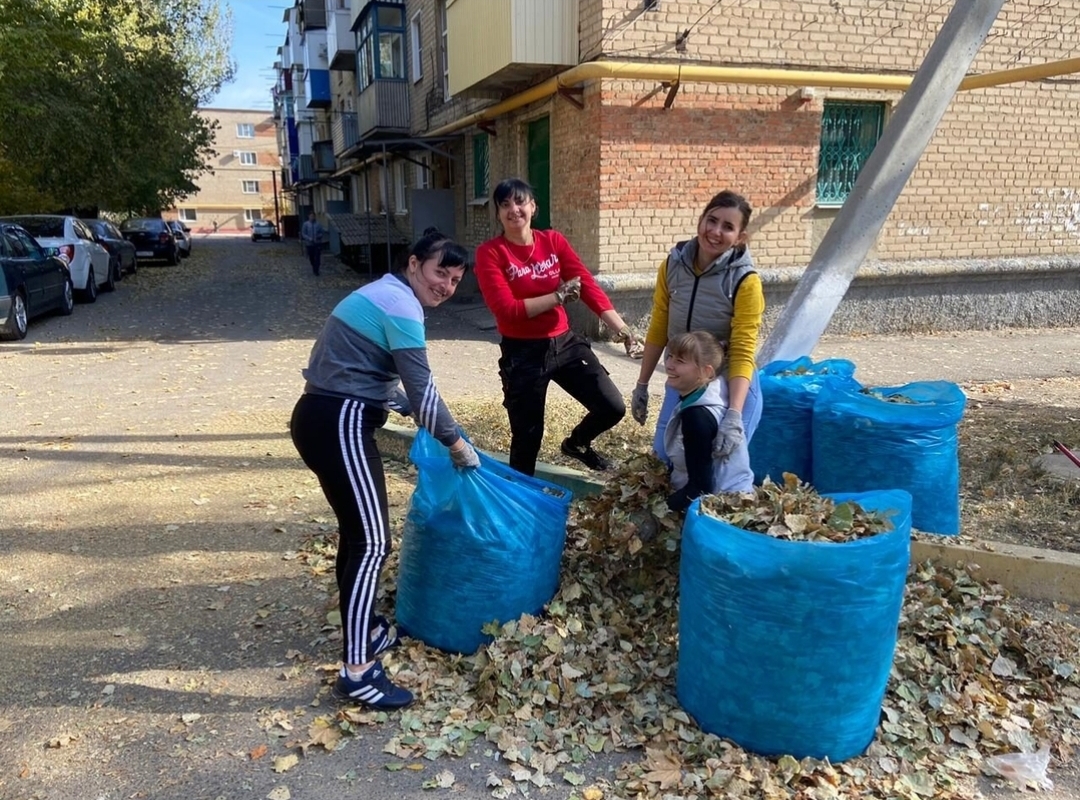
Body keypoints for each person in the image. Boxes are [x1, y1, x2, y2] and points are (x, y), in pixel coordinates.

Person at [289, 229, 480, 710]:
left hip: (321, 415)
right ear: (414, 263)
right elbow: (424, 392)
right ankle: (358, 671)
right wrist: (456, 443)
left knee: (357, 537)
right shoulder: (401, 305)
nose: (446, 286)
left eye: (455, 280)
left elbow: (351, 365)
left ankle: (368, 629)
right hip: (340, 422)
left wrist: (392, 400)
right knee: (373, 541)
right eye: (441, 272)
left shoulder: (382, 294)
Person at [474, 177, 638, 477]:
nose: (514, 209)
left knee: (612, 406)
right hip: (523, 354)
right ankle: (522, 506)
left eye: (520, 201)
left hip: (565, 343)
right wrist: (557, 296)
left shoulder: (553, 241)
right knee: (527, 438)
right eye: (505, 204)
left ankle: (576, 444)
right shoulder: (491, 253)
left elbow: (586, 285)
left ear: (533, 207)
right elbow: (506, 310)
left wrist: (624, 331)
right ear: (498, 213)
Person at [630, 190, 765, 465]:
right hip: (684, 383)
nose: (715, 231)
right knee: (664, 460)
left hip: (728, 386)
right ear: (700, 220)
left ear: (740, 237)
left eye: (728, 227)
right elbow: (659, 327)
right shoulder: (672, 265)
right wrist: (641, 385)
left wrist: (733, 415)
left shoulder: (745, 281)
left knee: (716, 473)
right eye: (711, 220)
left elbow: (742, 350)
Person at [663, 331, 753, 512]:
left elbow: (701, 489)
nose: (669, 365)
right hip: (735, 496)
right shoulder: (712, 391)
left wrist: (660, 509)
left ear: (706, 372)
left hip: (723, 509)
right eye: (670, 357)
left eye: (680, 361)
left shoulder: (697, 416)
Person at [301, 212, 325, 276]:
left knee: (317, 257)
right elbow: (303, 233)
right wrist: (309, 238)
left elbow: (322, 232)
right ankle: (313, 266)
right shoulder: (306, 224)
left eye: (313, 216)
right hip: (309, 244)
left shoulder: (318, 224)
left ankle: (316, 270)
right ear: (309, 216)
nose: (312, 217)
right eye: (311, 216)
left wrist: (318, 236)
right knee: (311, 257)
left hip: (317, 243)